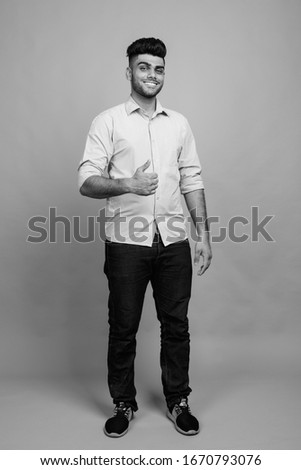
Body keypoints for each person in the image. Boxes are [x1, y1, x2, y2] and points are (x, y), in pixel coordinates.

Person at [78, 37, 212, 437]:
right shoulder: (108, 122)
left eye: (158, 68)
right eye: (144, 67)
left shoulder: (179, 123)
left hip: (173, 243)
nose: (152, 74)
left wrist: (203, 234)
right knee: (123, 327)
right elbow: (86, 181)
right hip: (126, 244)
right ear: (129, 71)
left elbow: (192, 178)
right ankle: (123, 403)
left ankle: (178, 401)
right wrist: (129, 185)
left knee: (177, 326)